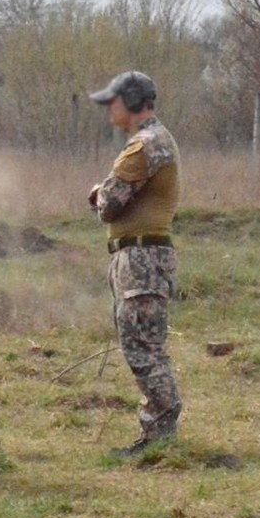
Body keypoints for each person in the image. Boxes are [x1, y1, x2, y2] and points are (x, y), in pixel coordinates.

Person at [87, 71, 182, 455]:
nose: (108, 107)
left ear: (131, 100)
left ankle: (158, 436)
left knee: (142, 346)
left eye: (113, 100)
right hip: (141, 256)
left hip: (141, 258)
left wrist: (96, 192)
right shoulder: (154, 140)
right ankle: (159, 434)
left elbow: (109, 205)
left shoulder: (143, 146)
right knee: (145, 344)